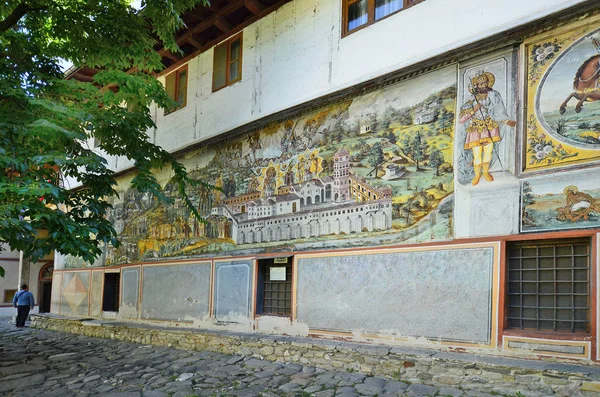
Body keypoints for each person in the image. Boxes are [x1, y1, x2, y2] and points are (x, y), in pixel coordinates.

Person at [459, 71, 516, 185]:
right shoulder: (471, 99)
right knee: (477, 153)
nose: (483, 86)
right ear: (476, 86)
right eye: (480, 84)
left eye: (485, 83)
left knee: (488, 152)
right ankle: (477, 175)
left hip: (490, 127)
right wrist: (474, 109)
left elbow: (498, 112)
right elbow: (461, 119)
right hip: (475, 130)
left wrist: (505, 120)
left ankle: (485, 172)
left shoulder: (493, 95)